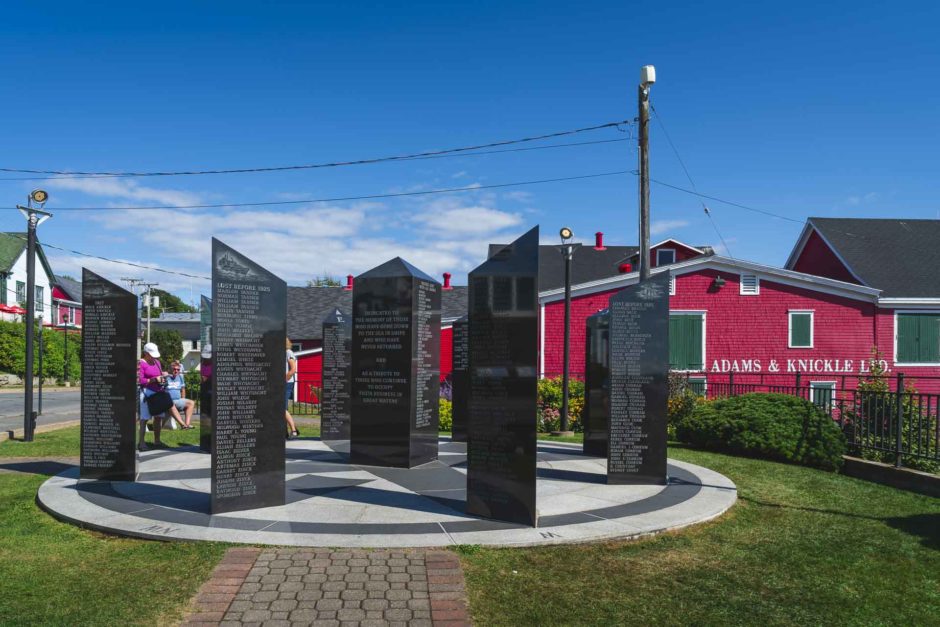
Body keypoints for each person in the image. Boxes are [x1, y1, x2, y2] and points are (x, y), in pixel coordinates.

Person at [137, 342, 187, 450]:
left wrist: (162, 376)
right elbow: (140, 380)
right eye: (151, 354)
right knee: (144, 419)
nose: (153, 357)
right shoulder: (141, 363)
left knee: (158, 417)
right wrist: (154, 379)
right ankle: (141, 443)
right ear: (145, 353)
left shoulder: (157, 362)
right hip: (146, 394)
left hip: (158, 392)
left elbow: (159, 375)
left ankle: (157, 441)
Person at [165, 361, 195, 429]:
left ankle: (187, 424)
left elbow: (183, 389)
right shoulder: (166, 377)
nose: (176, 371)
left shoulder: (180, 377)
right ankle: (182, 425)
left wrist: (183, 399)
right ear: (170, 369)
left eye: (178, 369)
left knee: (191, 403)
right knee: (170, 403)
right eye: (174, 369)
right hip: (168, 401)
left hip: (178, 400)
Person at [285, 337, 299, 440]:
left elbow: (293, 369)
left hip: (287, 383)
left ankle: (294, 431)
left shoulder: (288, 352)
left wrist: (284, 379)